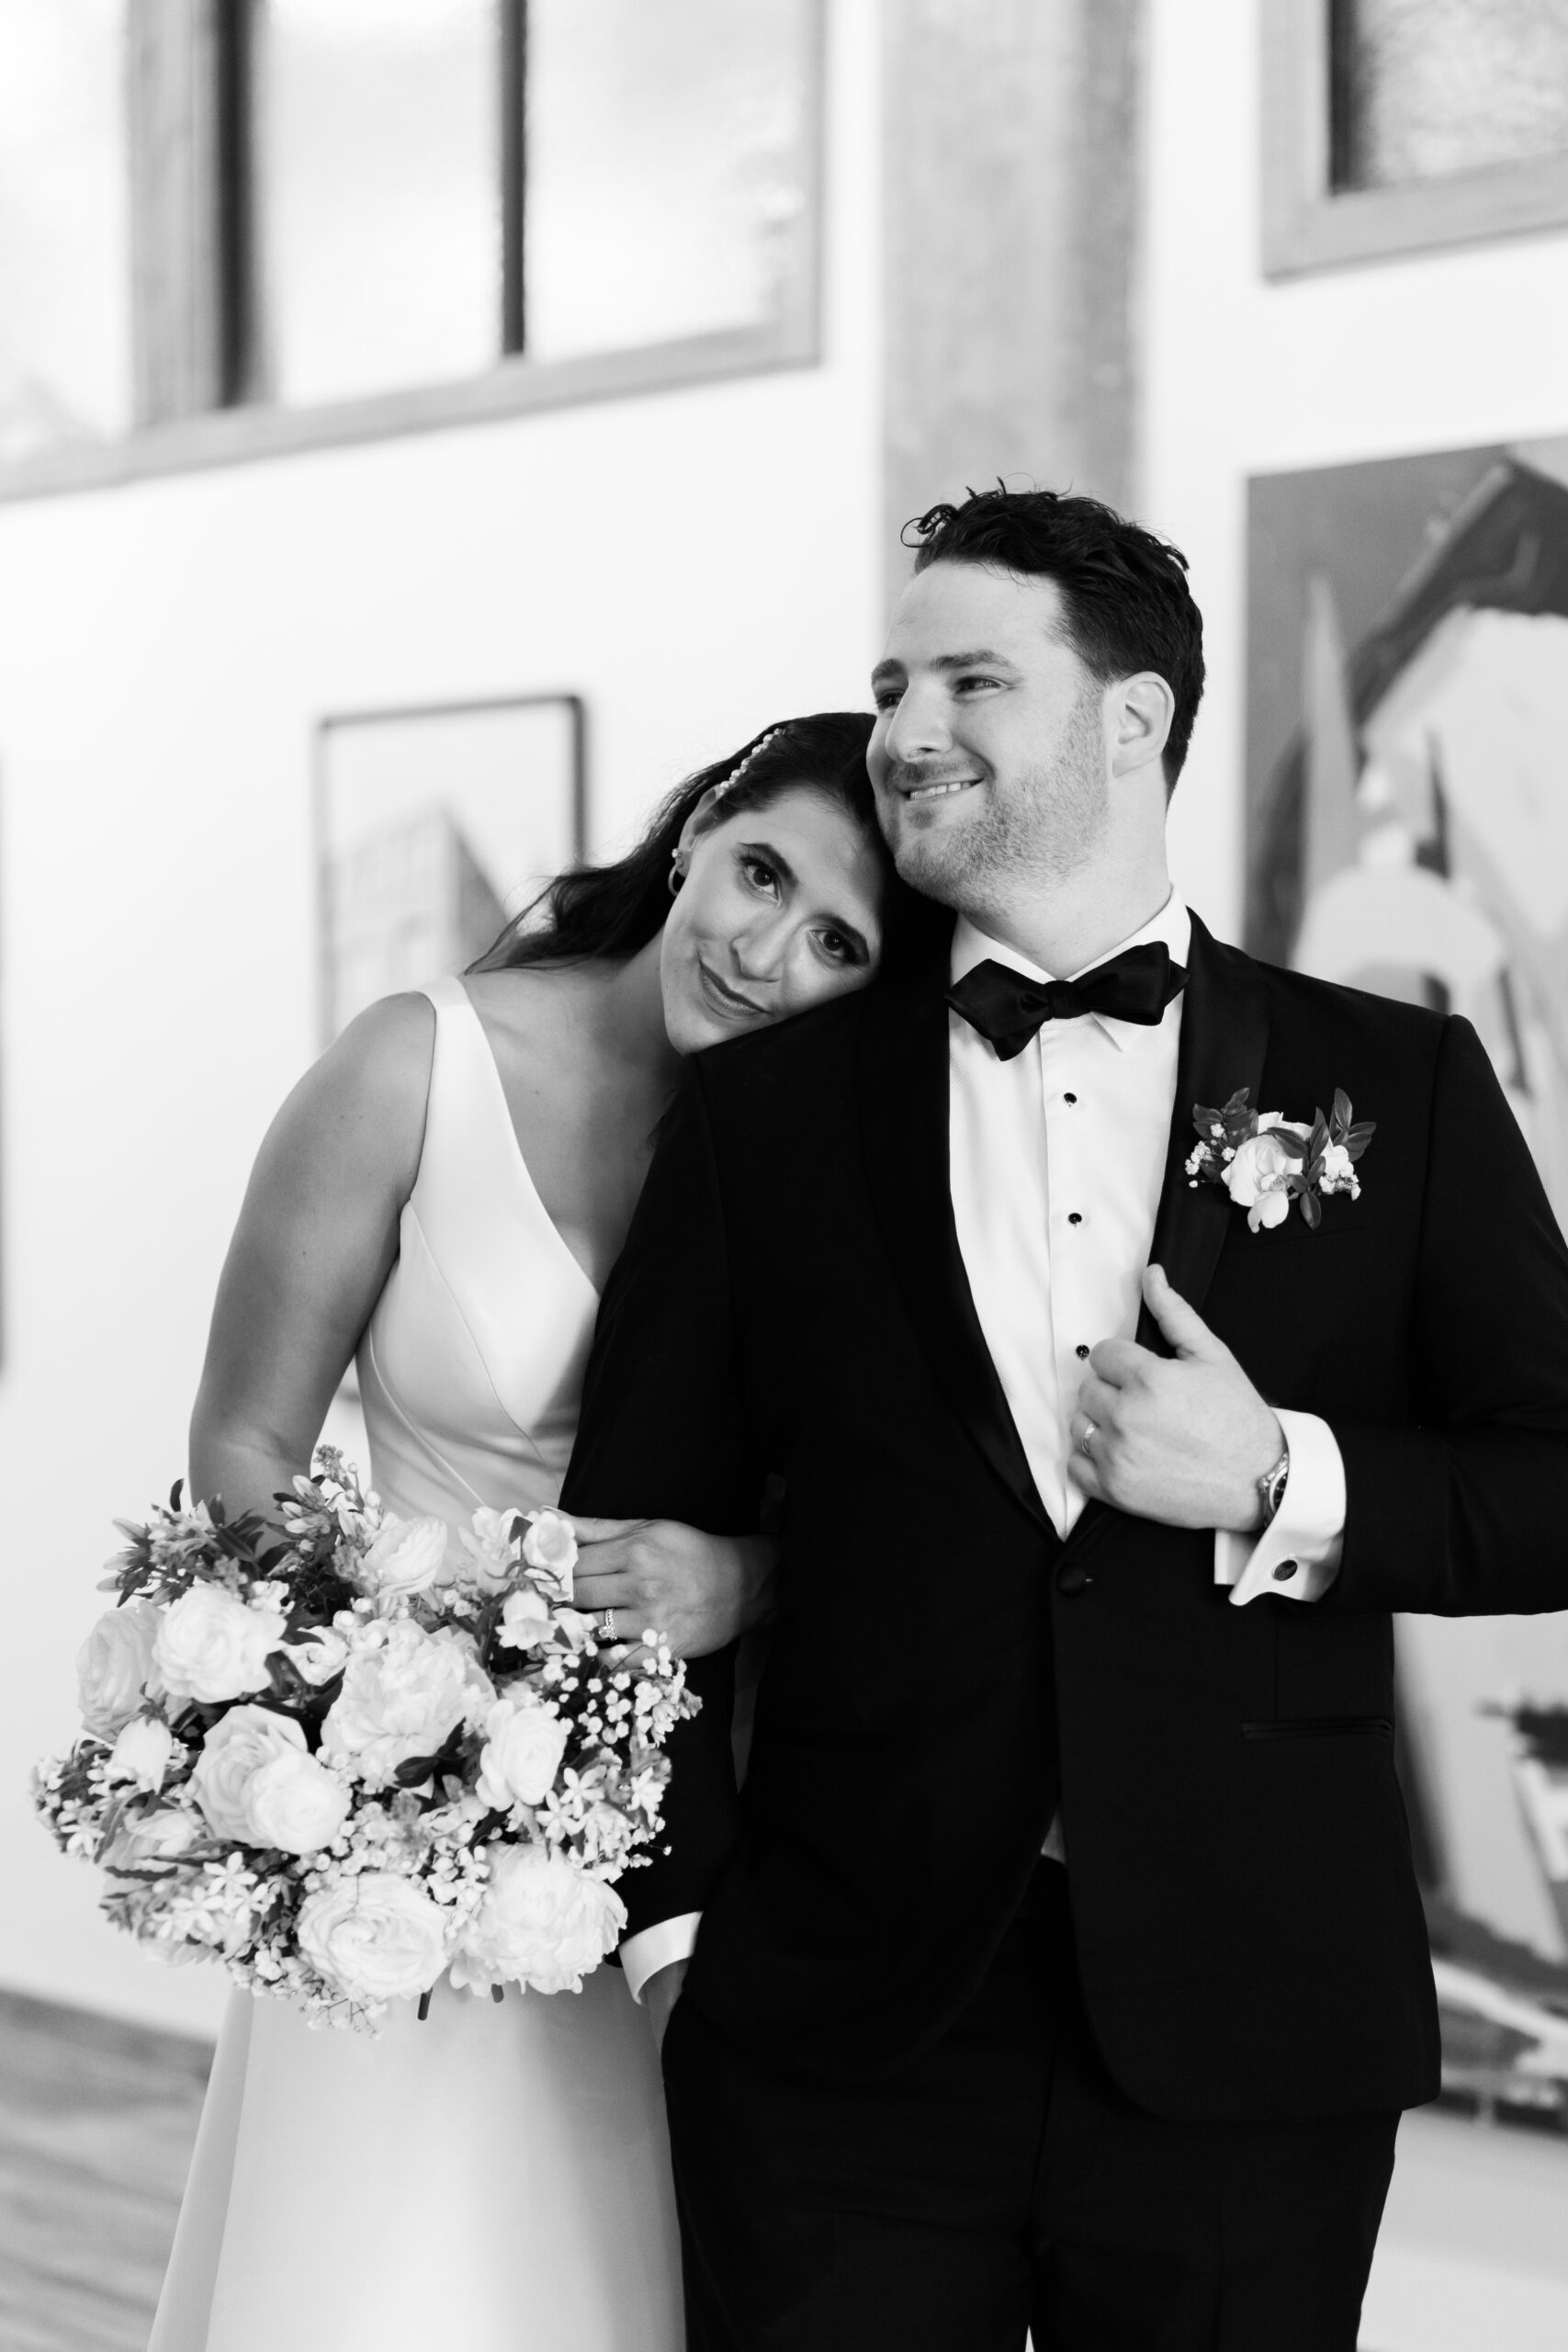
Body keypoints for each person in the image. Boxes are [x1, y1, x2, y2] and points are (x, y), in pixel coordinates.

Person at [561, 487, 1568, 2351]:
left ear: (1131, 722)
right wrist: (674, 1936)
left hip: (1249, 2031)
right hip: (835, 2035)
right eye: (891, 680)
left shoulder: (1394, 1082)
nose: (902, 728)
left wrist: (1279, 1474)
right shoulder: (763, 1118)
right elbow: (621, 1551)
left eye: (969, 677)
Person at [150, 710, 919, 2352]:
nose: (766, 953)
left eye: (838, 943)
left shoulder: (830, 1176)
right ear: (700, 827)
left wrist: (750, 1577)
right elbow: (242, 1443)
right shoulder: (414, 1063)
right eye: (760, 872)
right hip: (394, 1824)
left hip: (682, 1862)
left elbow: (894, 1494)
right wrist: (365, 1739)